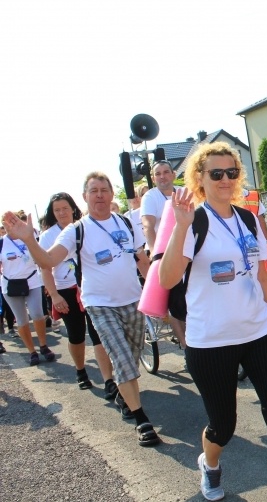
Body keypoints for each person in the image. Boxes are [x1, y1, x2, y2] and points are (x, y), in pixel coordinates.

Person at [158, 142, 267, 502]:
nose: (225, 180)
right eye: (216, 173)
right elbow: (166, 278)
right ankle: (209, 464)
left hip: (259, 332)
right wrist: (180, 228)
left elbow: (262, 277)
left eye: (232, 172)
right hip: (211, 340)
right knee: (223, 426)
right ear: (200, 178)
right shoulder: (195, 220)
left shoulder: (248, 219)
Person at [2, 172, 161, 447]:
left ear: (111, 194)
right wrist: (29, 239)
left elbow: (141, 260)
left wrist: (154, 291)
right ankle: (141, 420)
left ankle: (124, 395)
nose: (99, 195)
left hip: (133, 300)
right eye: (93, 191)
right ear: (85, 198)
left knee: (133, 354)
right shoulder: (77, 230)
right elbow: (48, 260)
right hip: (99, 304)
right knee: (122, 358)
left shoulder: (124, 222)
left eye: (104, 190)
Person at [38, 192, 115, 393]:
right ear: (52, 213)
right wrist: (54, 295)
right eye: (57, 210)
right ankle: (81, 370)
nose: (62, 213)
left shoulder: (85, 226)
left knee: (98, 333)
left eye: (65, 208)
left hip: (90, 286)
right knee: (76, 334)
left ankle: (109, 380)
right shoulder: (48, 236)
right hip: (65, 290)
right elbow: (45, 269)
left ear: (73, 208)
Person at [0, 211, 55, 366]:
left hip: (32, 281)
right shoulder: (2, 243)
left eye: (12, 222)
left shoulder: (30, 237)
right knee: (22, 320)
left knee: (38, 314)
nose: (8, 226)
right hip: (11, 286)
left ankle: (43, 346)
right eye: (5, 223)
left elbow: (42, 258)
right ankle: (32, 351)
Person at [140, 161, 186, 348]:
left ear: (173, 174)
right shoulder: (151, 197)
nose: (162, 176)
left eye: (166, 172)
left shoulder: (183, 192)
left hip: (188, 252)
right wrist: (156, 254)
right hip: (166, 254)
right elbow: (148, 226)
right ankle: (185, 344)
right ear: (153, 178)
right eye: (158, 174)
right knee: (176, 302)